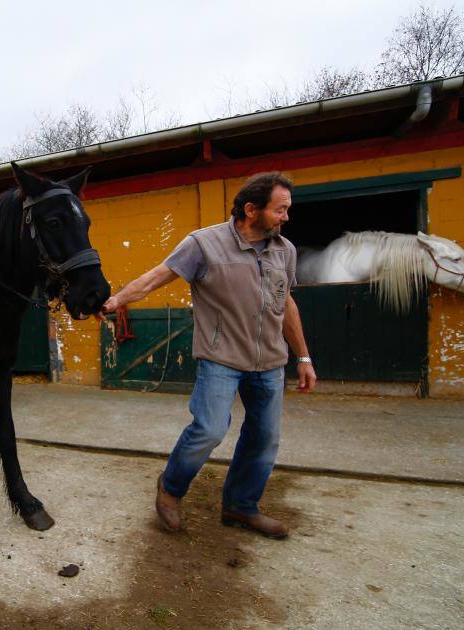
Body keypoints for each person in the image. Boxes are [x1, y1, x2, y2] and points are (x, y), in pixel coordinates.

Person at [102, 171, 316, 539]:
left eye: (287, 210)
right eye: (280, 210)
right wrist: (117, 300)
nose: (286, 217)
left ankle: (240, 506)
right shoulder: (204, 244)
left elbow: (287, 304)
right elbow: (159, 276)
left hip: (270, 363)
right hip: (221, 359)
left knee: (264, 438)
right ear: (251, 209)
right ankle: (170, 488)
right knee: (209, 430)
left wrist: (304, 357)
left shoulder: (285, 250)